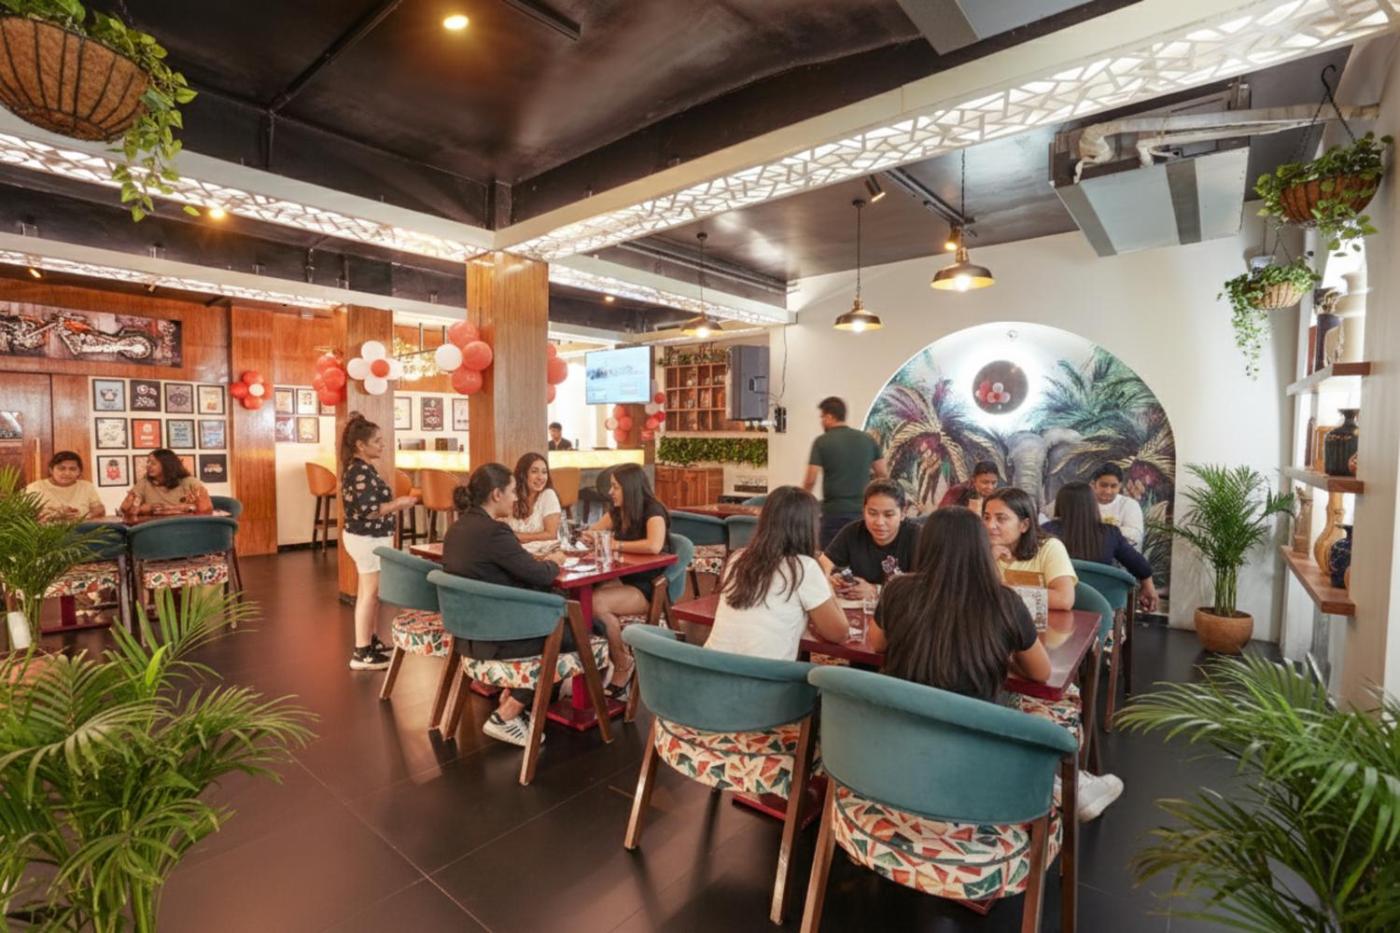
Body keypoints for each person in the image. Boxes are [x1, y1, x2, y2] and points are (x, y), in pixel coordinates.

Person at [868, 508, 1123, 821]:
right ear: (981, 548)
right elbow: (1041, 673)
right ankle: (1061, 783)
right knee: (1044, 702)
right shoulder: (1005, 601)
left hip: (903, 734)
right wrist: (1002, 655)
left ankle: (1062, 783)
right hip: (978, 740)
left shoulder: (897, 590)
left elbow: (877, 644)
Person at [442, 463, 572, 747]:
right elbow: (539, 575)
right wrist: (554, 562)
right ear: (496, 494)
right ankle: (507, 713)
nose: (516, 498)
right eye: (512, 491)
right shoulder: (494, 532)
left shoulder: (457, 528)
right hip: (498, 638)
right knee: (579, 628)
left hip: (467, 632)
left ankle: (518, 695)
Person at [705, 486, 848, 659]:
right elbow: (839, 633)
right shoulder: (804, 567)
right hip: (761, 673)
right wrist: (824, 577)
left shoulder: (738, 558)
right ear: (809, 527)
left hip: (712, 667)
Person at [338, 414, 418, 671]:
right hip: (367, 539)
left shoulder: (362, 468)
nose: (383, 445)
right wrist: (399, 503)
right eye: (377, 441)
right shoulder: (359, 472)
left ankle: (369, 642)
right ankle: (361, 652)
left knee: (368, 593)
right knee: (370, 594)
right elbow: (370, 511)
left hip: (367, 538)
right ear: (361, 445)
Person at [586, 463, 672, 699]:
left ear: (630, 487)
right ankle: (604, 662)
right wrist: (590, 536)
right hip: (622, 580)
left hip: (648, 586)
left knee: (594, 603)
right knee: (580, 599)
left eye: (615, 487)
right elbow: (592, 532)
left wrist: (614, 544)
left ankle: (622, 662)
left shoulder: (653, 510)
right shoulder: (618, 511)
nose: (610, 492)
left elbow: (654, 545)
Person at [1043, 482, 1159, 612]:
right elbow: (1137, 563)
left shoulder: (1046, 531)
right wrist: (1148, 586)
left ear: (1059, 504)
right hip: (1101, 604)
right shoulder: (1110, 533)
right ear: (1093, 504)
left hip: (1056, 602)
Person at [802, 396, 888, 549]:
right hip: (862, 513)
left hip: (833, 513)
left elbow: (810, 479)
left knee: (829, 557)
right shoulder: (867, 439)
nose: (821, 421)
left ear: (830, 416)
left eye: (822, 417)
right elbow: (882, 474)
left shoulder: (822, 441)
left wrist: (801, 502)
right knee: (860, 554)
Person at [818, 480, 919, 599]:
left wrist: (876, 591)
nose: (879, 522)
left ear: (903, 513)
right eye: (872, 513)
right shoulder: (852, 532)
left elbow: (928, 587)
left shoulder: (918, 537)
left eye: (888, 515)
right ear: (863, 510)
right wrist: (831, 581)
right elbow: (822, 565)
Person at [983, 487, 1077, 610]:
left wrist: (1002, 591)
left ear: (1024, 525)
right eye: (986, 518)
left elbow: (1064, 599)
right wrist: (989, 561)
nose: (990, 525)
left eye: (1001, 518)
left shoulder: (1049, 548)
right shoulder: (980, 548)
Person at [120, 449, 213, 516]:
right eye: (148, 462)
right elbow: (126, 510)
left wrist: (175, 508)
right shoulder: (144, 483)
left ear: (167, 465)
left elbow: (207, 509)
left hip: (186, 526)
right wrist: (149, 508)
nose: (148, 466)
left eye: (153, 463)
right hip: (155, 527)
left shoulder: (190, 482)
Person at [26, 450, 104, 521]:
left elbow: (99, 510)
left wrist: (83, 517)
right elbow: (27, 515)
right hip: (48, 531)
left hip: (81, 530)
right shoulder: (35, 487)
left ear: (79, 472)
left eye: (72, 469)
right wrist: (56, 515)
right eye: (61, 468)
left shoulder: (86, 486)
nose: (67, 473)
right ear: (51, 470)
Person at [508, 452, 562, 546]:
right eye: (534, 471)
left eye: (544, 472)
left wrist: (519, 536)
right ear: (522, 474)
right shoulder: (510, 495)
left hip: (543, 551)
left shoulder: (548, 495)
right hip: (513, 551)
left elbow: (551, 535)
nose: (540, 477)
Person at [1090, 463, 1145, 548]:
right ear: (1094, 485)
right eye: (1103, 485)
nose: (1108, 491)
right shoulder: (1084, 503)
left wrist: (1100, 530)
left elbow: (1135, 535)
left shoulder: (1130, 505)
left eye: (1113, 486)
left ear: (1120, 486)